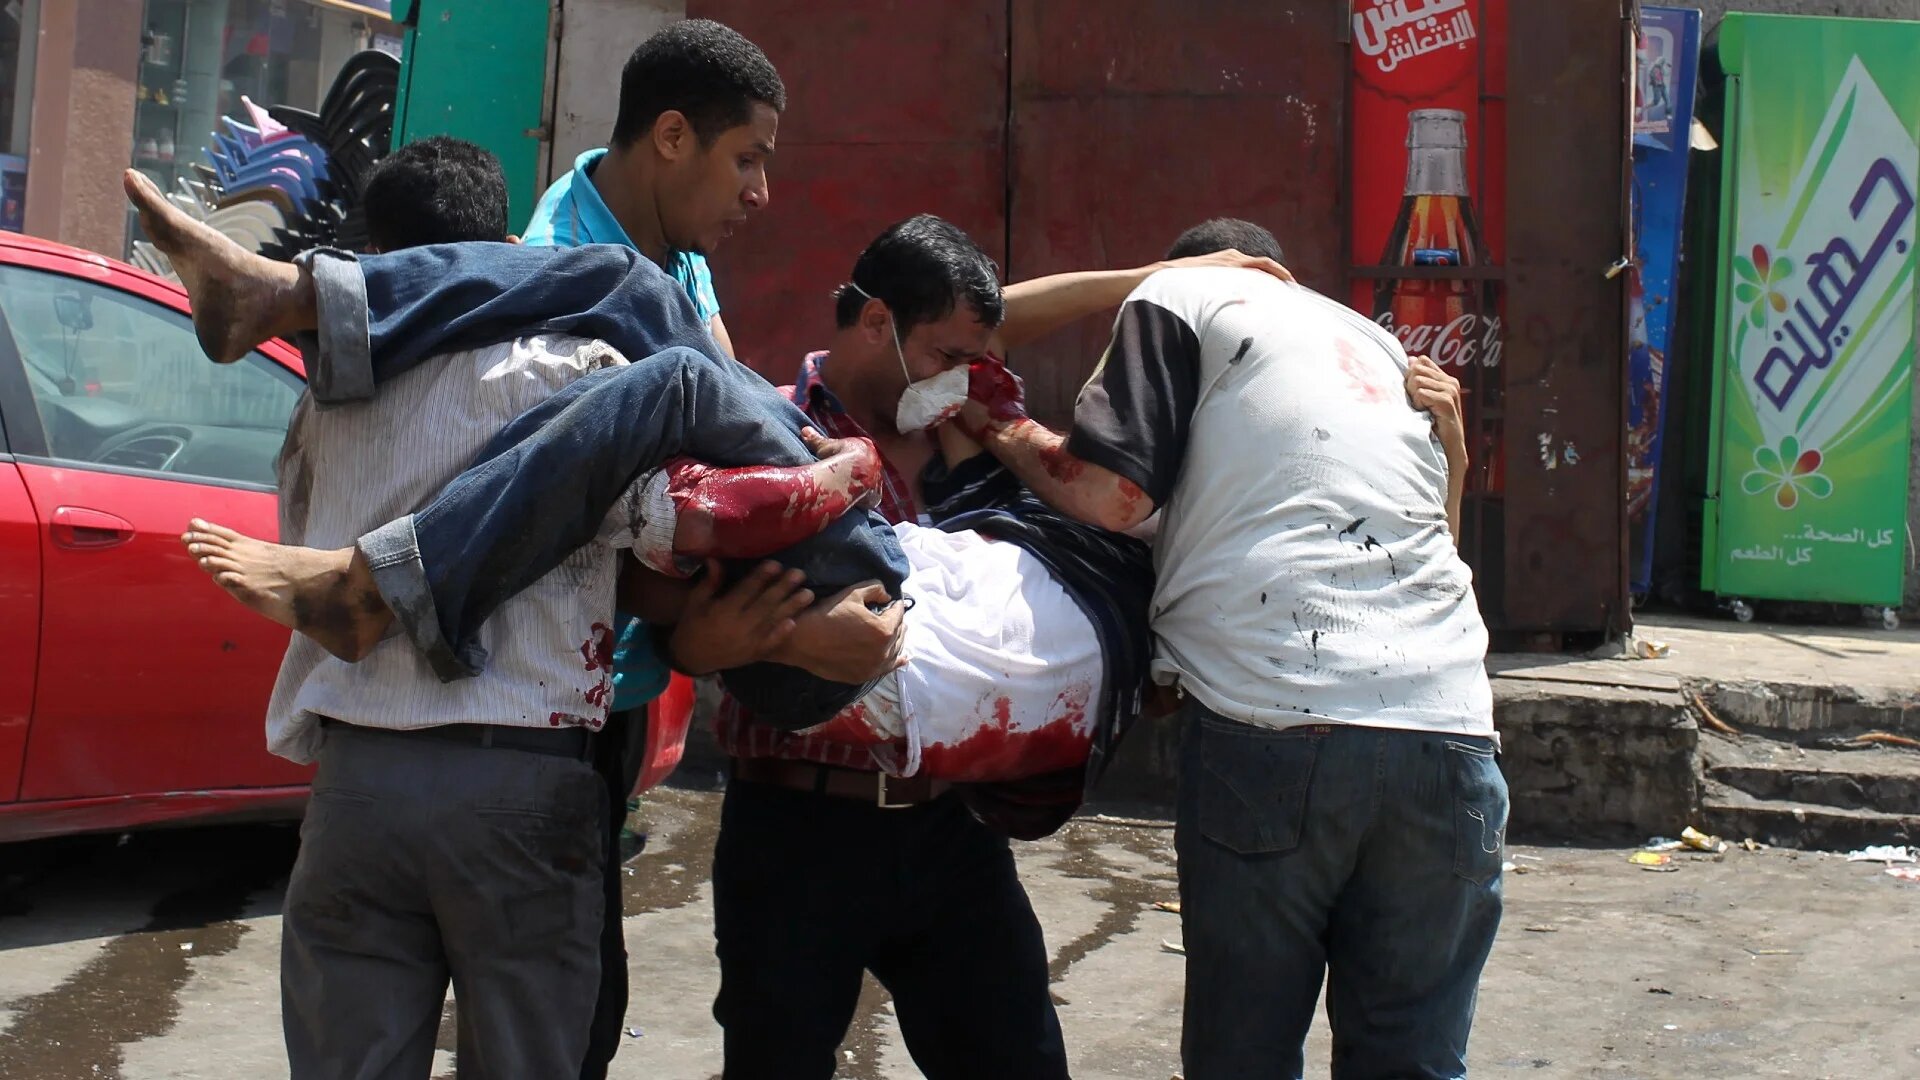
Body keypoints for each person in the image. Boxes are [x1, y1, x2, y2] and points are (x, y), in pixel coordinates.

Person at [948, 215, 1503, 1079]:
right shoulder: (1372, 352)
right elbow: (1426, 554)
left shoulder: (1186, 295)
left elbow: (1102, 486)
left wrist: (1004, 422)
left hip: (1275, 733)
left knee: (1242, 1060)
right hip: (1454, 738)